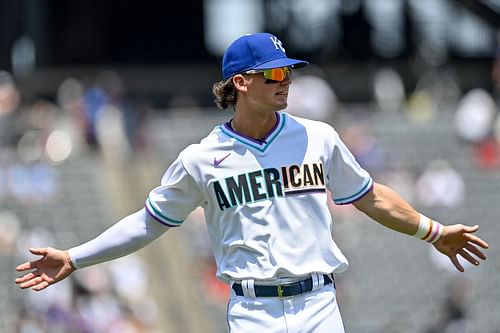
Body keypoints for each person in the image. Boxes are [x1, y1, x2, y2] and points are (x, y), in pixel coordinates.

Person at [15, 33, 489, 333]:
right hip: (252, 313)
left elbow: (370, 197)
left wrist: (432, 230)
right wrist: (76, 258)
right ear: (241, 83)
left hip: (320, 304)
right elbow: (148, 223)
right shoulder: (201, 159)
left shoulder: (317, 137)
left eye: (289, 73)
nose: (287, 82)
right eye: (275, 74)